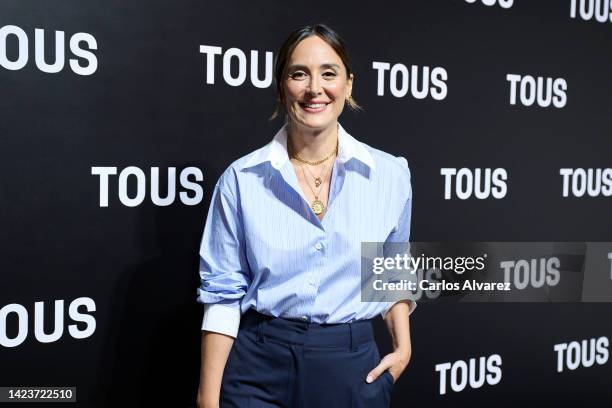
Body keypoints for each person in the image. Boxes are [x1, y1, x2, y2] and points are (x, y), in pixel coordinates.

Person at [196, 23, 416, 408]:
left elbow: (391, 269)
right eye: (299, 74)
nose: (315, 88)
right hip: (258, 366)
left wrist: (403, 349)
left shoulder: (391, 175)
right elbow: (222, 293)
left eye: (329, 73)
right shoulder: (242, 179)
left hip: (349, 367)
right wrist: (208, 398)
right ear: (282, 86)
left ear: (348, 85)